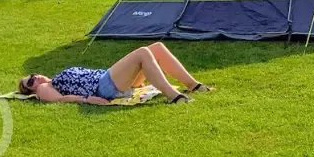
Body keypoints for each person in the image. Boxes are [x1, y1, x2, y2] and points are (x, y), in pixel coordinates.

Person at [18, 42, 213, 105]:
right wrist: (88, 99)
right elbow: (61, 99)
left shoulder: (54, 78)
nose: (35, 78)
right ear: (31, 90)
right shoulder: (45, 88)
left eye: (33, 75)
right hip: (103, 86)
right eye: (30, 82)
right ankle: (173, 96)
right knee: (143, 52)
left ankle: (192, 84)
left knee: (157, 48)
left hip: (108, 79)